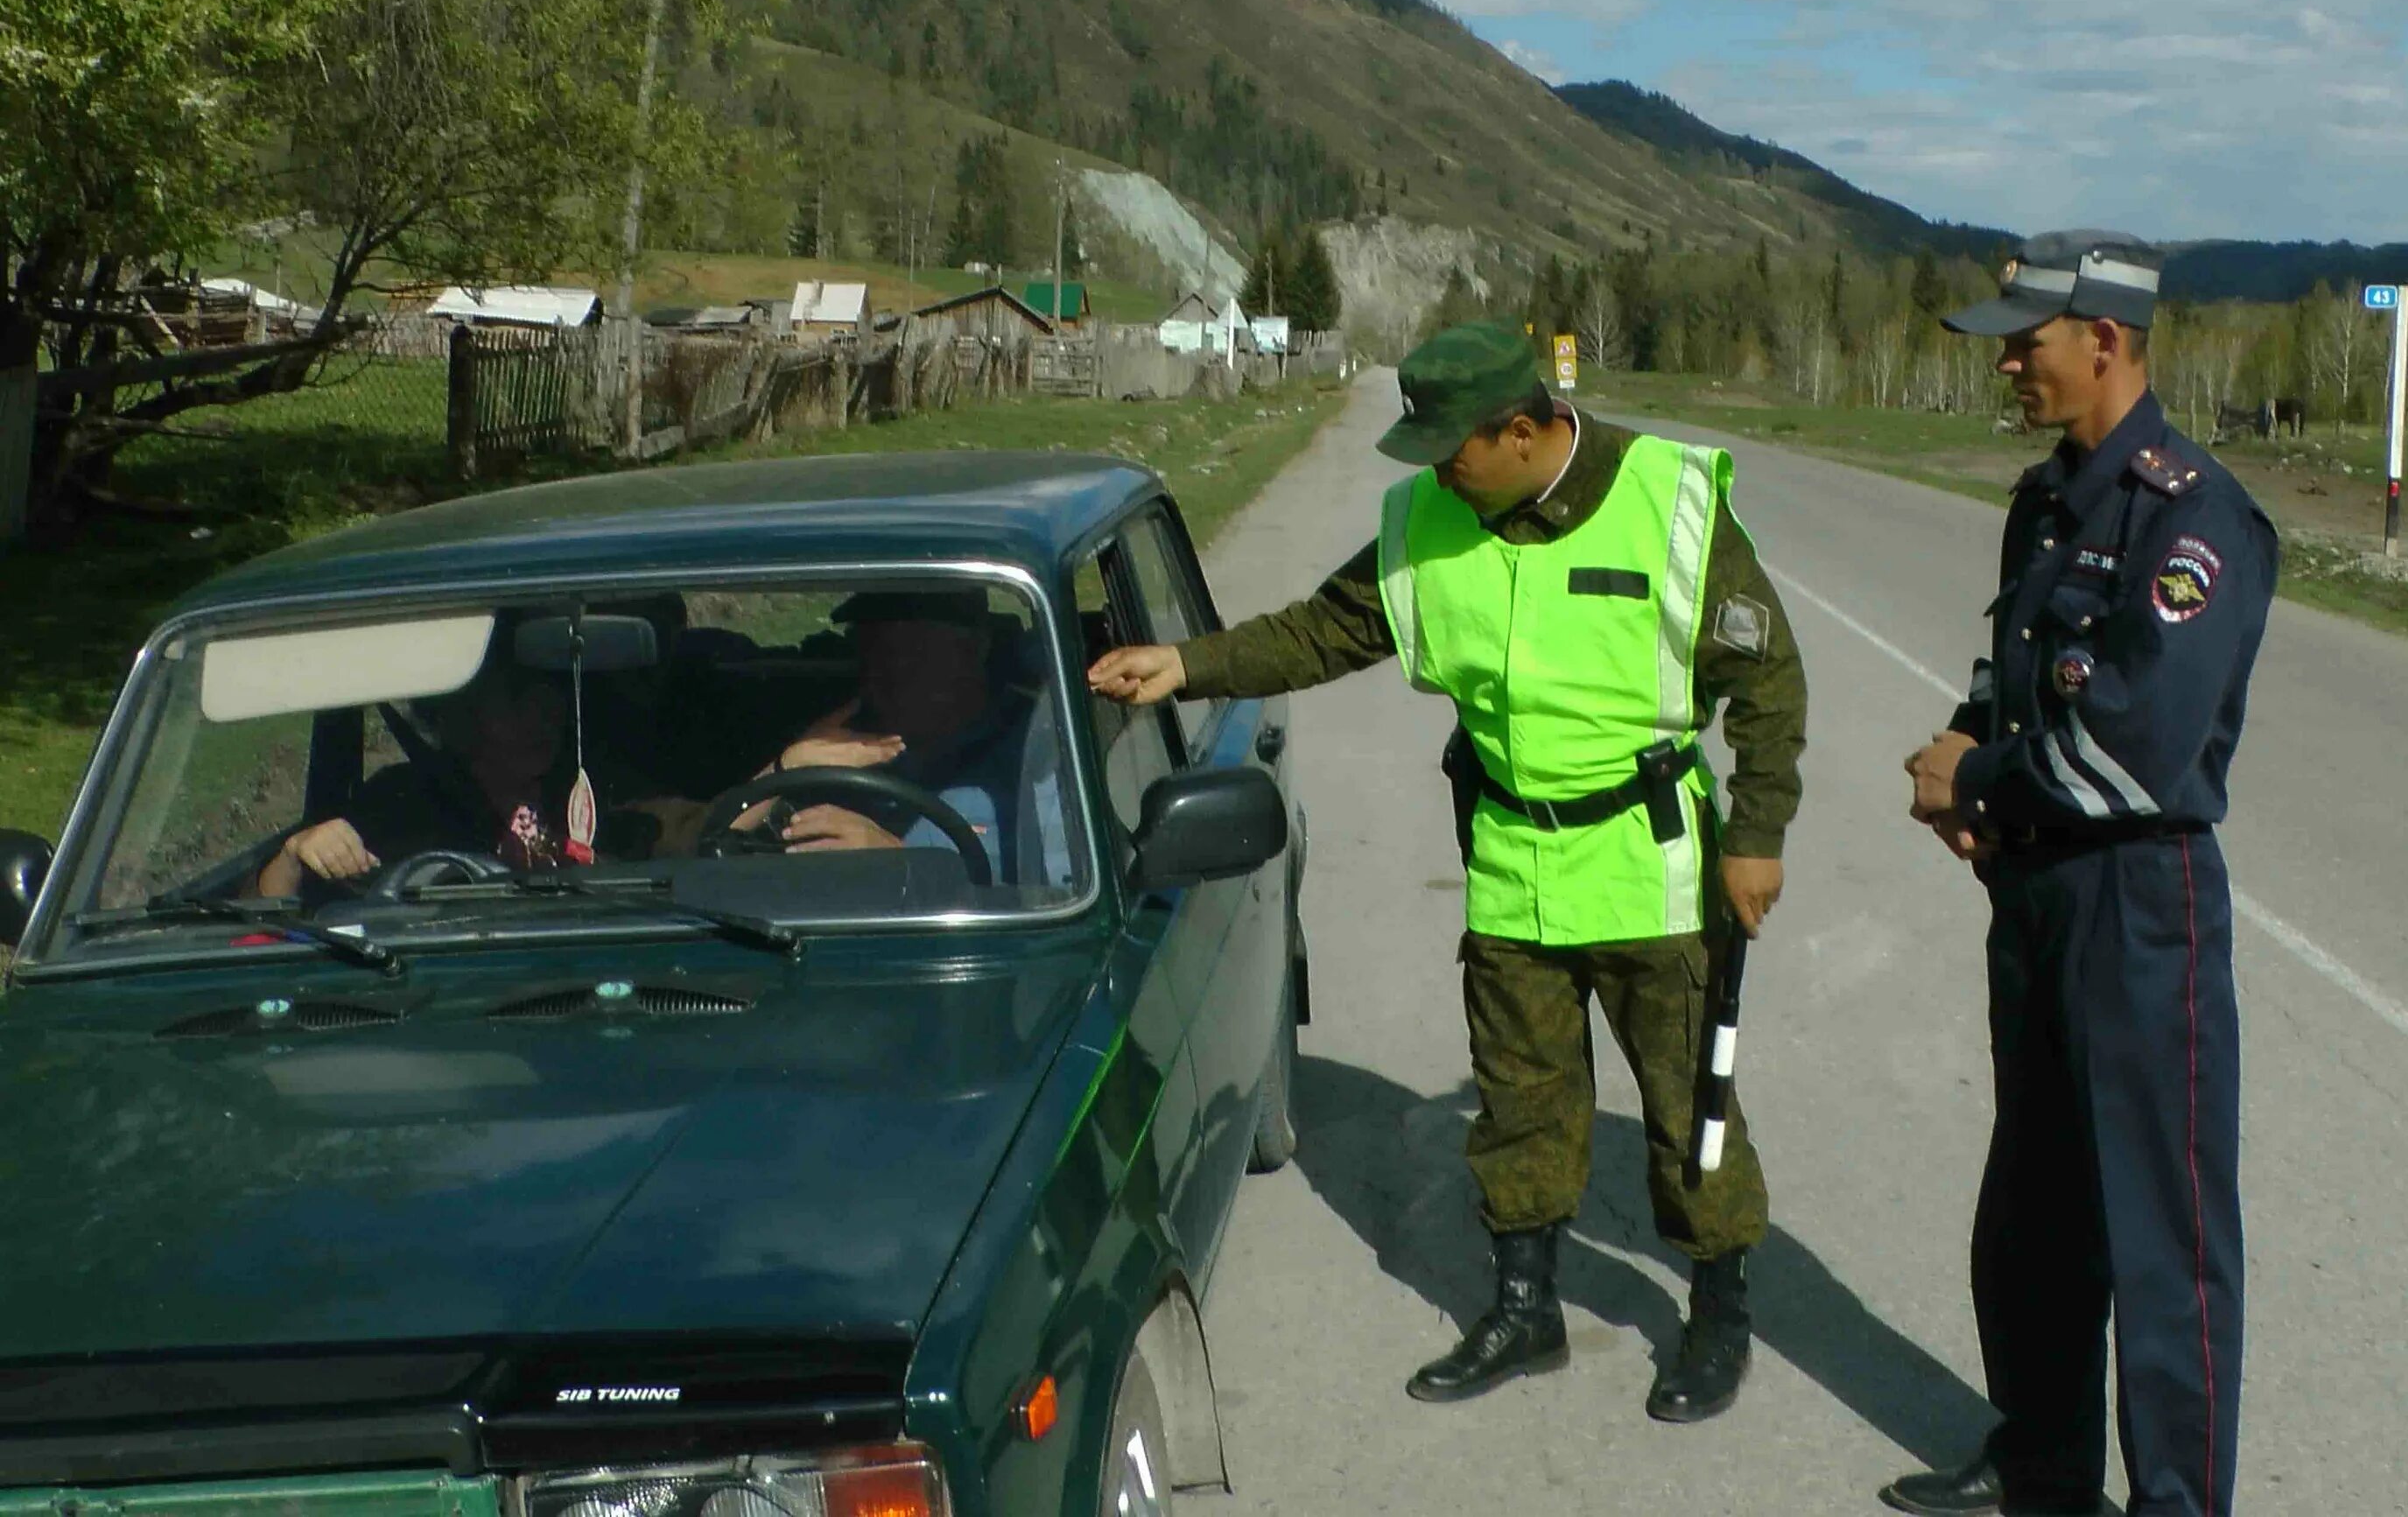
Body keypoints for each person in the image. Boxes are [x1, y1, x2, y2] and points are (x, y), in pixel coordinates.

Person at [1087, 322, 1808, 1424]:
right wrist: (1189, 664)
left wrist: (1757, 832)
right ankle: (1528, 1312)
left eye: (1451, 450)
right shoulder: (1431, 519)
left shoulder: (1669, 501)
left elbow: (1767, 678)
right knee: (1521, 1099)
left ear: (1521, 430)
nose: (1435, 472)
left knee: (1683, 1101)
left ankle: (1718, 1313)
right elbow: (1329, 630)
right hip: (1514, 861)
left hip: (1650, 863)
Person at [1888, 235, 2278, 1517]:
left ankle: (2175, 1500)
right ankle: (2045, 1461)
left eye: (2026, 339)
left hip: (2135, 900)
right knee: (2036, 1213)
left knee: (2161, 1238)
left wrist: (1982, 778)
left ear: (2104, 340)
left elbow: (2137, 749)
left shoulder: (2193, 517)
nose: (2006, 361)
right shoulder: (2045, 499)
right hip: (2039, 894)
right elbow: (2019, 679)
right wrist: (1962, 749)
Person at [731, 586, 1071, 888]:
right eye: (875, 648)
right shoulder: (833, 748)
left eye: (916, 648)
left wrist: (903, 862)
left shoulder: (1040, 749)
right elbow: (713, 849)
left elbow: (1060, 904)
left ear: (974, 649)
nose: (893, 669)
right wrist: (787, 766)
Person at [253, 652, 574, 896]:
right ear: (457, 719)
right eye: (514, 703)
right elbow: (256, 918)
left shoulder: (589, 788)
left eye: (547, 700)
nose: (540, 720)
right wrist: (294, 856)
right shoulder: (401, 803)